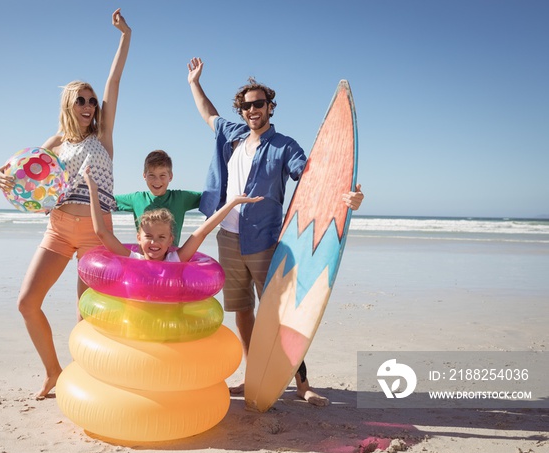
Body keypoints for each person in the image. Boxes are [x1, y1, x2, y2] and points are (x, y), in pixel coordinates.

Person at [186, 57, 364, 406]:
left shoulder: (284, 146)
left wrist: (349, 197)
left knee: (281, 312)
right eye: (247, 105)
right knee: (242, 310)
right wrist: (194, 82)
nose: (253, 110)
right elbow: (208, 113)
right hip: (228, 236)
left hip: (265, 240)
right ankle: (256, 376)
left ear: (270, 107)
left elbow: (313, 176)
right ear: (241, 110)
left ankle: (301, 383)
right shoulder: (232, 135)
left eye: (259, 104)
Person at [0, 9, 131, 400]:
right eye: (80, 100)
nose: (88, 105)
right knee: (27, 302)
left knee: (87, 314)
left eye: (91, 100)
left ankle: (91, 376)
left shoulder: (103, 136)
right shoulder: (55, 143)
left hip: (94, 233)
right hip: (56, 228)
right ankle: (53, 372)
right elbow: (9, 169)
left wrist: (125, 36)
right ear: (69, 104)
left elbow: (113, 81)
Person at [84, 167, 262, 262]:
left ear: (171, 239)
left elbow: (203, 231)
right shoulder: (133, 259)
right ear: (138, 237)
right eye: (149, 236)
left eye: (162, 236)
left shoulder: (175, 259)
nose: (154, 242)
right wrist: (93, 191)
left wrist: (232, 203)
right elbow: (102, 232)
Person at [114, 150, 202, 246]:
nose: (157, 181)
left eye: (162, 175)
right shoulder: (136, 199)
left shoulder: (181, 198)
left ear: (170, 176)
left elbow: (212, 197)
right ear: (144, 176)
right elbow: (103, 200)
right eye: (152, 175)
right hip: (146, 257)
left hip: (172, 258)